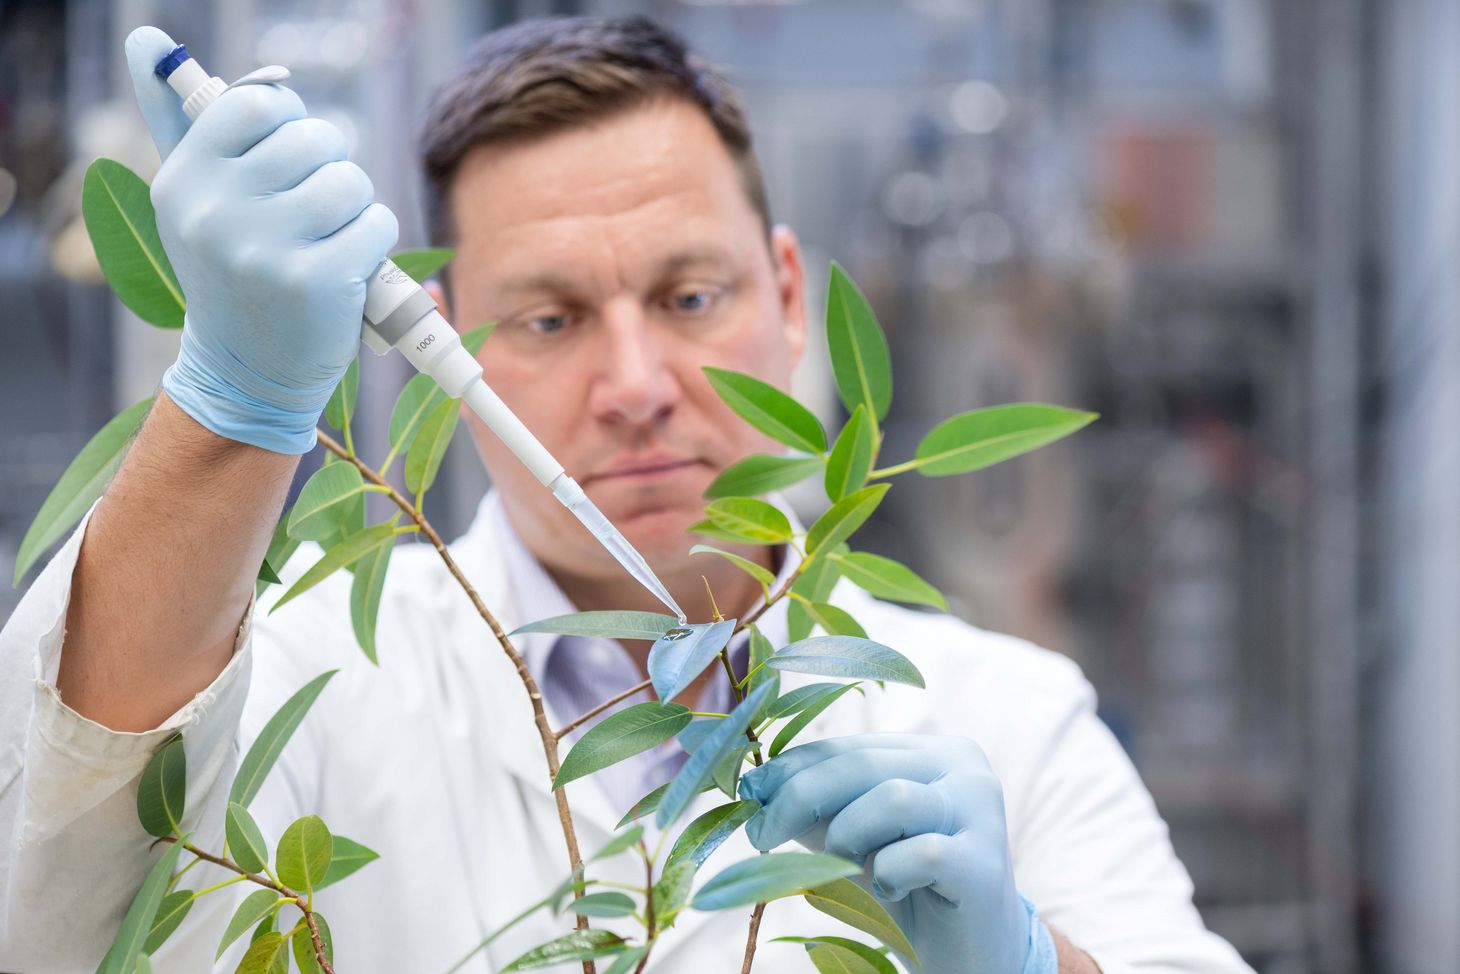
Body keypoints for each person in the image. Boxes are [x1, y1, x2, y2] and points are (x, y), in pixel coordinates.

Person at [0, 16, 1254, 974]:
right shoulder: (315, 686)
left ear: (784, 294)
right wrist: (228, 397)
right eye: (547, 317)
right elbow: (50, 890)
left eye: (688, 297)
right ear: (450, 348)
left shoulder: (1006, 721)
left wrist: (1023, 960)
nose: (636, 383)